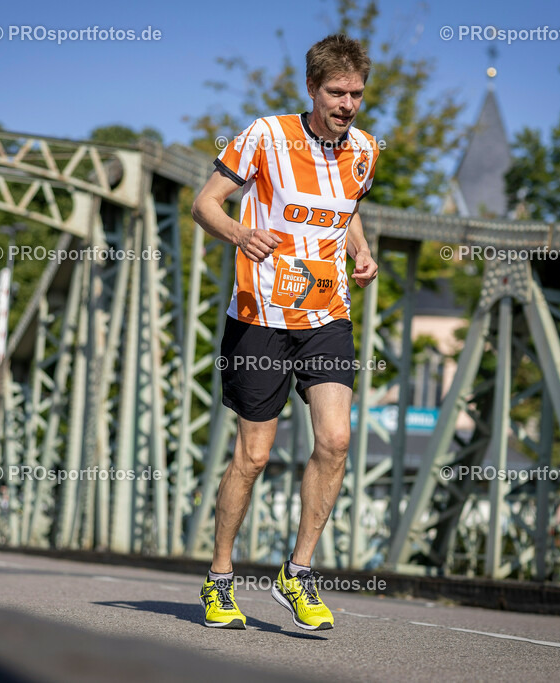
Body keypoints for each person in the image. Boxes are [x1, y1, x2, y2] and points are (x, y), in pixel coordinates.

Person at [191, 33, 379, 631]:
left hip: (326, 314)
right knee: (255, 454)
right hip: (259, 316)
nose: (347, 104)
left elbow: (345, 208)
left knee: (336, 440)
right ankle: (220, 579)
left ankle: (296, 574)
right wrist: (239, 235)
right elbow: (205, 204)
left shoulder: (366, 151)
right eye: (336, 92)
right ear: (311, 88)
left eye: (356, 93)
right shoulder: (265, 136)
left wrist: (362, 249)